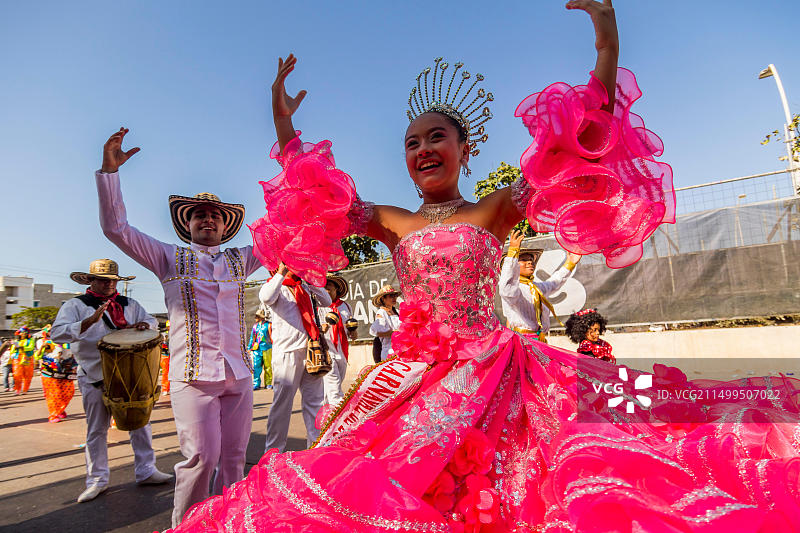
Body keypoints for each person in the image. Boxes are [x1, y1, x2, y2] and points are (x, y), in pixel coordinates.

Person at [171, 3, 800, 531]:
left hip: (497, 371)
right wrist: (286, 130)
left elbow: (577, 149)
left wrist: (607, 41)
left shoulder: (497, 208)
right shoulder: (393, 221)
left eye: (436, 138)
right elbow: (316, 199)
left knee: (623, 435)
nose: (422, 150)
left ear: (465, 150)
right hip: (411, 381)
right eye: (412, 142)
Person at [94, 130, 263, 525]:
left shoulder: (242, 259)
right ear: (187, 225)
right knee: (201, 459)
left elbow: (283, 232)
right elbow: (116, 229)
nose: (208, 218)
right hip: (192, 377)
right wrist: (109, 174)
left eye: (215, 215)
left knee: (236, 461)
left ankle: (232, 524)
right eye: (199, 215)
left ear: (226, 227)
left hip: (238, 377)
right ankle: (188, 526)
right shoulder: (168, 258)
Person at [51, 259, 172, 502]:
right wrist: (87, 323)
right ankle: (97, 480)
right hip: (94, 374)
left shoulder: (129, 303)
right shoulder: (76, 305)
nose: (109, 284)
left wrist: (142, 325)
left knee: (141, 425)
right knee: (97, 429)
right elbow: (57, 333)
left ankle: (146, 470)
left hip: (130, 374)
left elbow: (151, 323)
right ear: (91, 281)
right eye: (104, 280)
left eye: (112, 280)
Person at [259, 263, 331, 452]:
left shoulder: (306, 286)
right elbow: (266, 297)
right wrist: (281, 273)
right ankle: (273, 452)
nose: (294, 264)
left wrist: (309, 276)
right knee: (282, 405)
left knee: (315, 403)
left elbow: (327, 300)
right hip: (287, 353)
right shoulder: (276, 286)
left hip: (311, 351)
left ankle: (316, 449)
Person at [499, 229, 581, 343]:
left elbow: (555, 282)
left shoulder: (536, 288)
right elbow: (505, 289)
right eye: (523, 259)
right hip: (521, 342)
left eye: (531, 259)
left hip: (539, 341)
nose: (530, 262)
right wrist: (512, 253)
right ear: (513, 265)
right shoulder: (513, 289)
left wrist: (570, 264)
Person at [319, 274, 356, 406]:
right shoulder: (318, 306)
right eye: (324, 288)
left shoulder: (345, 306)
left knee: (333, 384)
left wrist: (353, 332)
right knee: (334, 386)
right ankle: (338, 415)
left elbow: (352, 331)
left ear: (337, 289)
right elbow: (312, 328)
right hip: (326, 350)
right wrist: (321, 329)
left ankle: (323, 413)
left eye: (329, 287)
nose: (326, 291)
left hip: (342, 351)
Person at [38, 340, 78, 421]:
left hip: (66, 372)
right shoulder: (48, 343)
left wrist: (74, 367)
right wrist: (42, 347)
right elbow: (37, 356)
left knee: (69, 392)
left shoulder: (70, 342)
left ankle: (60, 409)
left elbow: (75, 356)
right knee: (54, 394)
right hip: (50, 373)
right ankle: (53, 414)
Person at [368, 285, 401, 362]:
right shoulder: (381, 313)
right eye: (391, 296)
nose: (394, 298)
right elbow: (377, 332)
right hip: (389, 351)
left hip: (400, 349)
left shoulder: (397, 312)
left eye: (395, 295)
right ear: (383, 298)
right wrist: (396, 333)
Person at [249, 308, 273, 390]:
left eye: (257, 316)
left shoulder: (269, 325)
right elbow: (252, 337)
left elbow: (273, 336)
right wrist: (249, 348)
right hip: (257, 349)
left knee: (268, 367)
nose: (255, 317)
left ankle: (268, 383)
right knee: (256, 366)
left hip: (267, 348)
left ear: (261, 317)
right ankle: (256, 383)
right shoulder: (255, 326)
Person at [12, 327, 35, 395]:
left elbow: (31, 347)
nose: (23, 334)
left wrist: (22, 347)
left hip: (27, 357)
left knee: (28, 375)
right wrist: (15, 347)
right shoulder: (16, 340)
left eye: (25, 333)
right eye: (22, 332)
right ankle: (17, 389)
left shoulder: (30, 340)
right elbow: (12, 350)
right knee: (17, 374)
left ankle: (25, 389)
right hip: (17, 358)